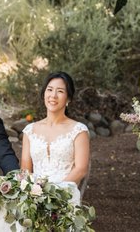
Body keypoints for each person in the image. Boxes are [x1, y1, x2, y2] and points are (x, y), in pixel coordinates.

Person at [21, 72, 90, 205]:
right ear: (44, 94)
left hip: (65, 197)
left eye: (60, 91)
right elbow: (25, 170)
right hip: (35, 198)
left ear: (68, 98)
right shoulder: (29, 130)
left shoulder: (79, 130)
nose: (53, 95)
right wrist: (32, 193)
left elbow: (81, 169)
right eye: (50, 90)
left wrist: (56, 195)